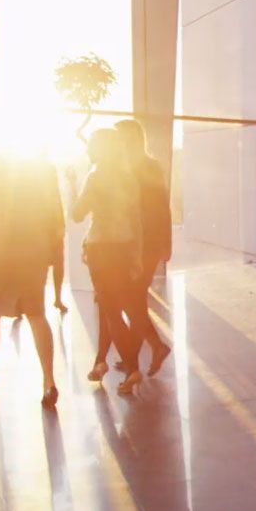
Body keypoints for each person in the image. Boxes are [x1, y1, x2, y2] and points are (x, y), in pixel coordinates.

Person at [0, 159, 65, 407]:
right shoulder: (41, 184)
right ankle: (49, 381)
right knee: (37, 315)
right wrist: (49, 253)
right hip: (33, 255)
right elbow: (55, 223)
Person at [71, 126, 147, 396]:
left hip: (101, 249)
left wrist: (71, 185)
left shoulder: (95, 177)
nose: (88, 148)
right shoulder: (128, 178)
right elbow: (136, 221)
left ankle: (133, 367)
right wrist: (136, 256)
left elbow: (77, 214)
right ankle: (101, 362)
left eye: (91, 144)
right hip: (124, 248)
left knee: (111, 311)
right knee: (109, 307)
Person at [116, 119, 172, 373]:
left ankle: (153, 347)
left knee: (131, 298)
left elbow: (162, 206)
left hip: (146, 242)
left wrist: (165, 244)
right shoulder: (125, 167)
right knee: (134, 298)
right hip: (131, 241)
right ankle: (133, 355)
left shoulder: (148, 167)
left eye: (121, 137)